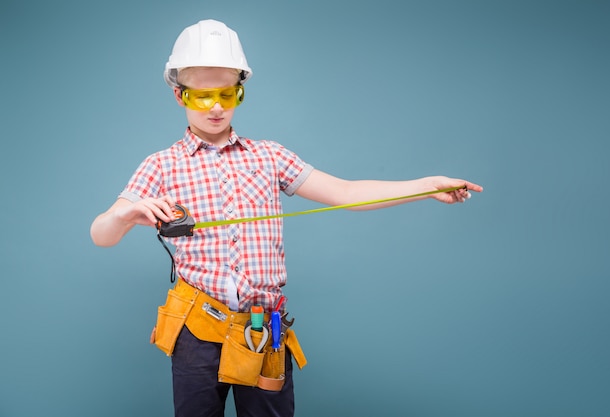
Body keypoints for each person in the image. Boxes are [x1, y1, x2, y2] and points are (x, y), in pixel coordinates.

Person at [90, 19, 483, 417]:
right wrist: (125, 213)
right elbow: (101, 234)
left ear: (241, 89)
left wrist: (427, 185)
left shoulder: (270, 156)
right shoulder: (161, 166)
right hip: (196, 331)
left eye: (228, 93)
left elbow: (346, 194)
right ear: (180, 96)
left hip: (262, 330)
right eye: (202, 96)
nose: (216, 106)